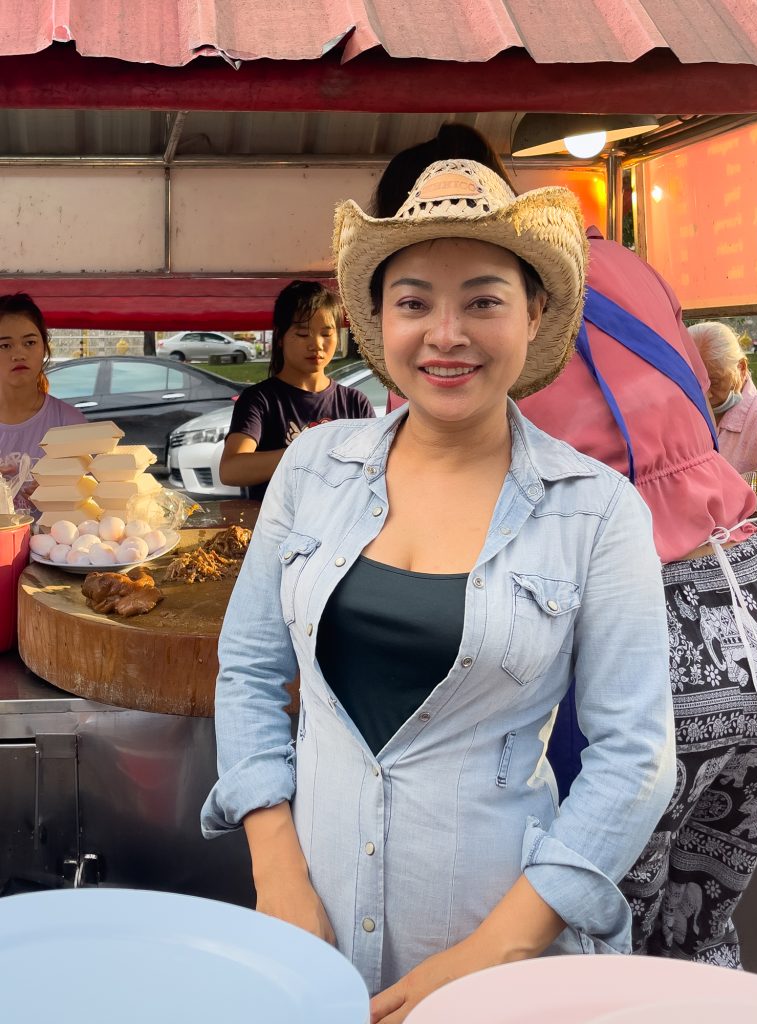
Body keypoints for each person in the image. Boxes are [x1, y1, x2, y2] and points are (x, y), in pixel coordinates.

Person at [202, 160, 675, 1020]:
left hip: (501, 962)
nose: (445, 334)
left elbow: (634, 755)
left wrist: (498, 949)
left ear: (535, 314)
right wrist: (277, 873)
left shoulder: (597, 511)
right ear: (377, 321)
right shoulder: (312, 469)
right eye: (414, 301)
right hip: (315, 939)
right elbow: (246, 669)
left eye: (484, 300)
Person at [375, 125, 757, 971]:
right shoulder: (626, 268)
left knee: (590, 958)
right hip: (756, 630)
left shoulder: (483, 337)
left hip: (639, 658)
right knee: (695, 945)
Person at [219, 280, 375, 500]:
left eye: (326, 334)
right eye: (303, 334)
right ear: (280, 337)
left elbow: (374, 469)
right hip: (277, 530)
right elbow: (231, 470)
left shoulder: (355, 402)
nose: (317, 345)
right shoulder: (260, 400)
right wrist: (307, 452)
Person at [0, 293, 85, 509]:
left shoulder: (70, 423)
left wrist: (60, 494)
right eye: (4, 346)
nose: (19, 354)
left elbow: (93, 503)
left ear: (44, 348)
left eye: (29, 342)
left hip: (59, 542)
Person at [688, 321, 757, 474]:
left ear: (741, 368)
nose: (705, 393)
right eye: (695, 382)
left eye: (714, 382)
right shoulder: (680, 411)